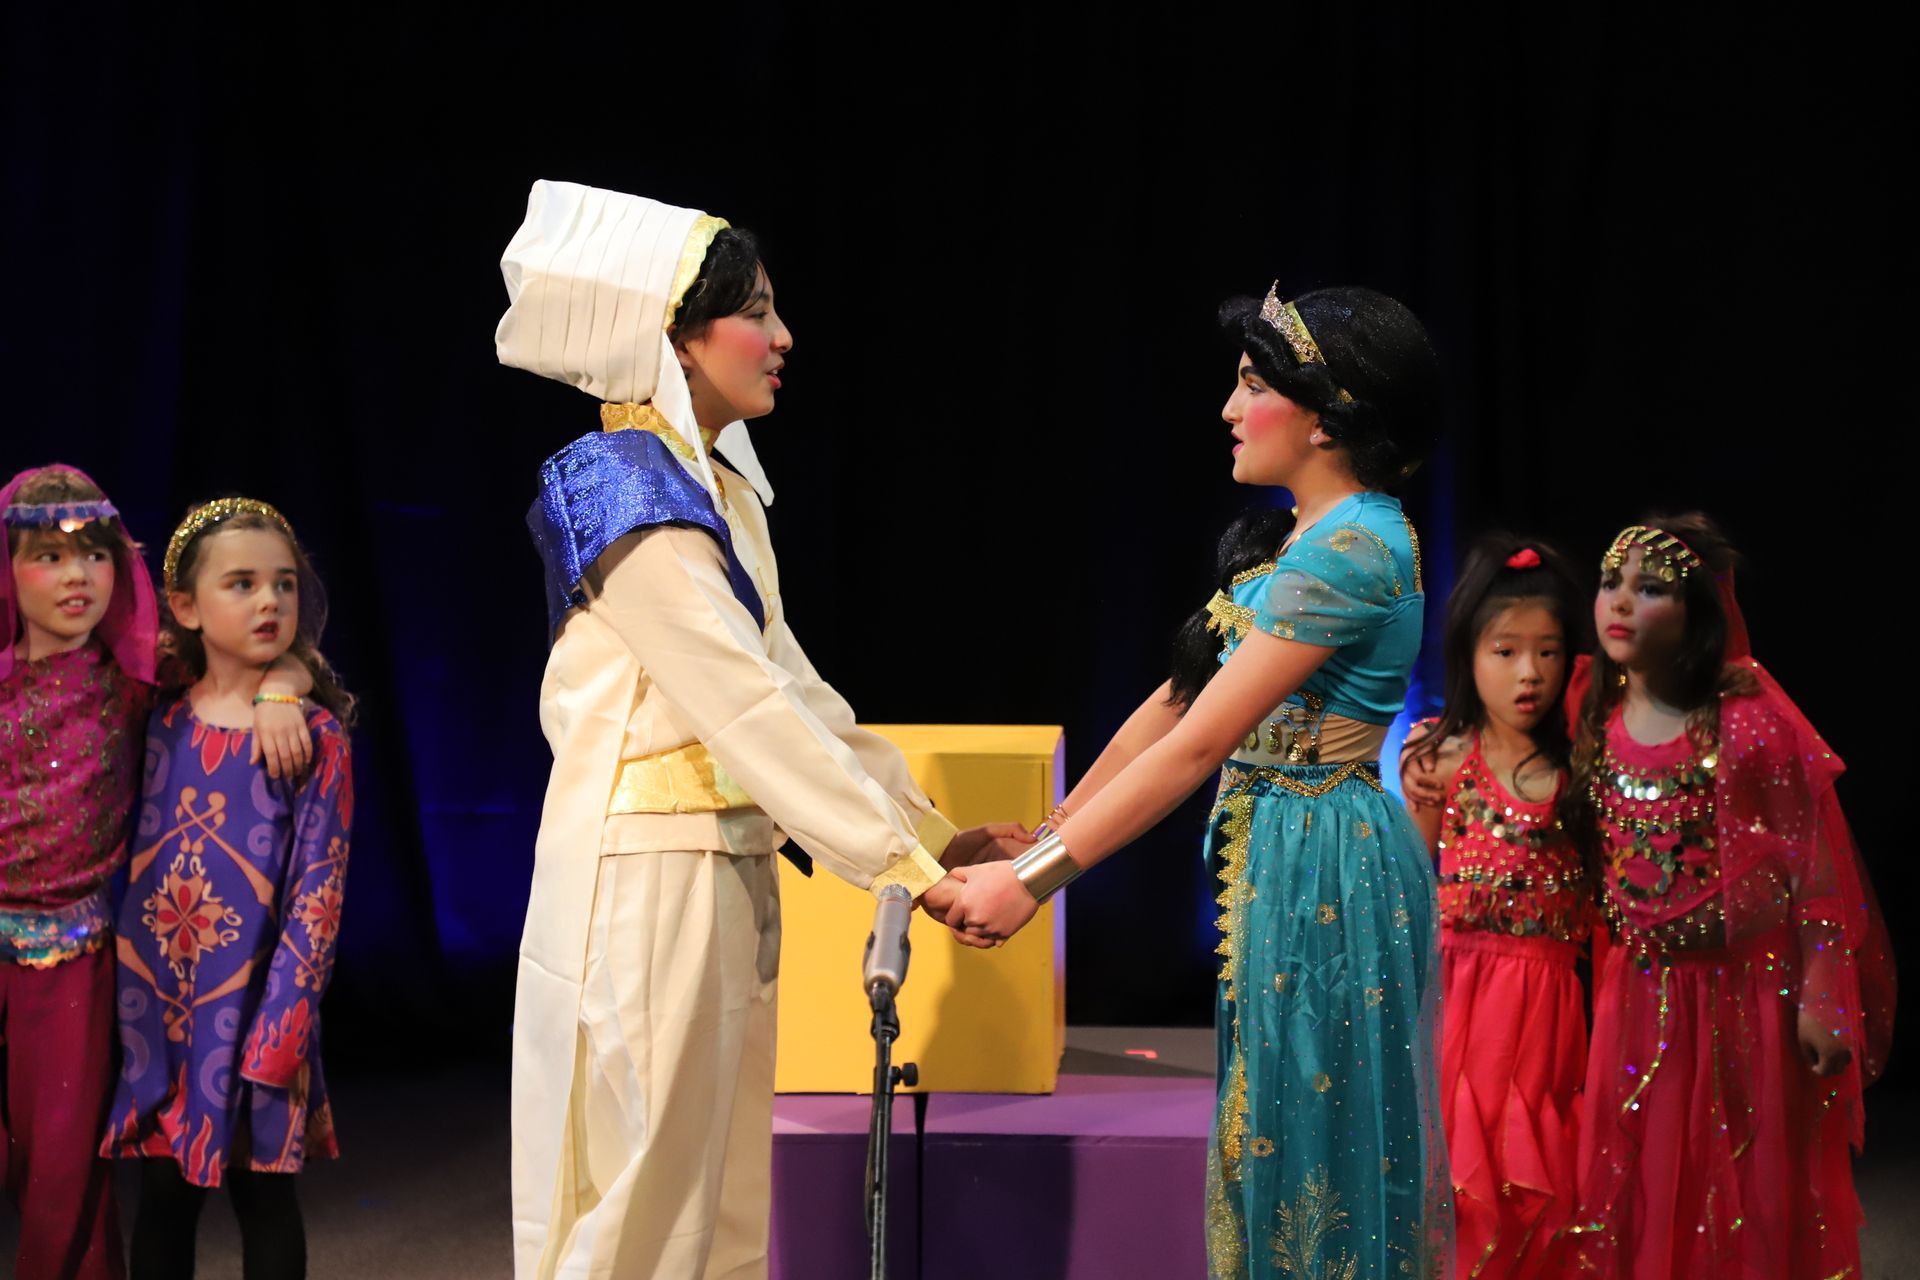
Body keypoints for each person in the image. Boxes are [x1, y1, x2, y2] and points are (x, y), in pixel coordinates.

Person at [497, 181, 1011, 1280]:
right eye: (757, 312)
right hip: (648, 868)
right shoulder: (622, 487)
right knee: (648, 1189)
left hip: (723, 859)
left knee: (723, 1190)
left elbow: (792, 685)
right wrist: (904, 867)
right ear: (674, 340)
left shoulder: (710, 487)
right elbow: (740, 702)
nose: (783, 337)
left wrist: (925, 833)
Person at [947, 285, 1451, 1278]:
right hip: (1282, 854)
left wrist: (1037, 879)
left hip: (1326, 866)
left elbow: (1196, 746)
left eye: (1253, 383)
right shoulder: (1299, 540)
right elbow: (1172, 706)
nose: (1229, 407)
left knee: (1311, 1134)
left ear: (1328, 408)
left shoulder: (1357, 547)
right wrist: (1053, 827)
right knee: (1265, 1121)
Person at [1562, 515, 1895, 1278]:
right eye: (1612, 582)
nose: (1618, 602)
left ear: (1699, 613)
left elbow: (1814, 873)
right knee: (1644, 1177)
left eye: (1650, 589)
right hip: (1639, 994)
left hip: (1744, 1001)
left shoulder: (1750, 726)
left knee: (1743, 1180)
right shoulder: (1597, 709)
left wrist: (1825, 997)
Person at [1, 465, 310, 1280]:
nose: (76, 577)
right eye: (47, 558)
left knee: (62, 1170)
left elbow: (247, 655)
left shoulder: (136, 678)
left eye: (96, 558)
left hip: (77, 963)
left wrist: (284, 685)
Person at [102, 497, 354, 1280]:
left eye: (282, 584)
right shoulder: (153, 716)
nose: (269, 601)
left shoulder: (313, 737)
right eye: (240, 584)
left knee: (263, 1199)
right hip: (159, 1010)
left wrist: (283, 1023)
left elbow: (319, 891)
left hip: (257, 1011)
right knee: (164, 1197)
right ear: (185, 605)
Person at [1399, 534, 1594, 1277]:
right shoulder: (1436, 757)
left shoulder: (1582, 767)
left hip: (1543, 1012)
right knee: (1453, 1173)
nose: (1529, 673)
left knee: (1532, 1175)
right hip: (1455, 1005)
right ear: (1467, 653)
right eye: (1506, 651)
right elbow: (1410, 894)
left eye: (1548, 652)